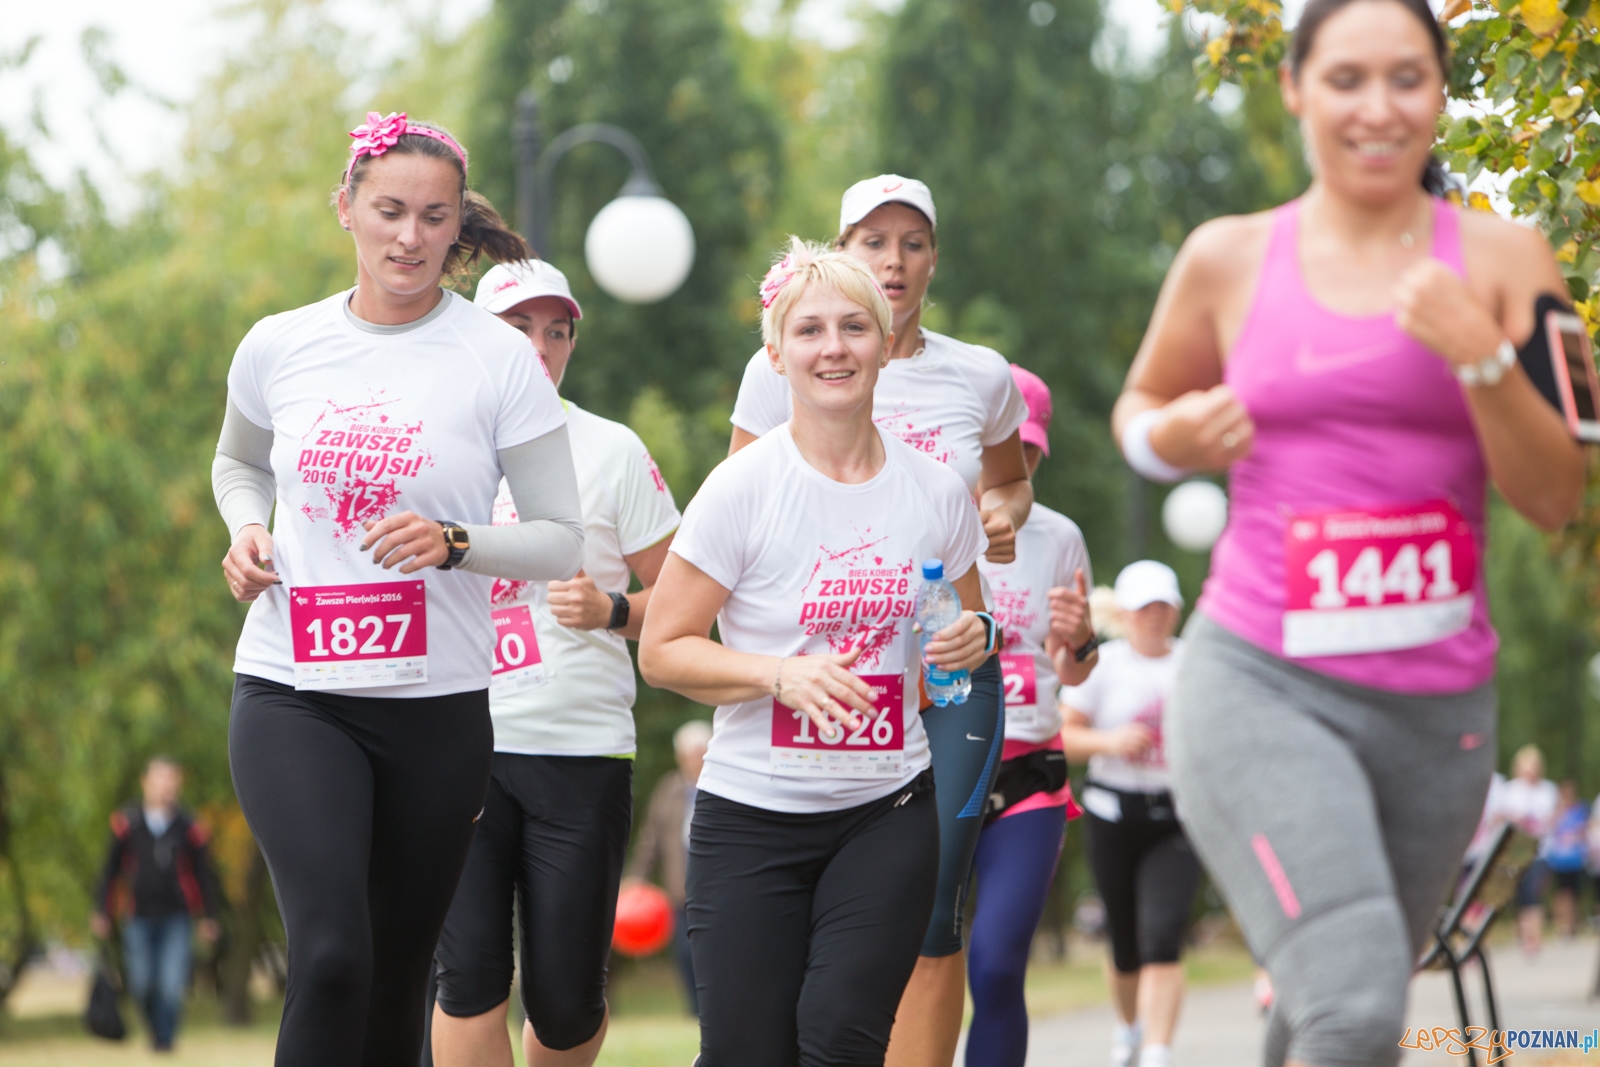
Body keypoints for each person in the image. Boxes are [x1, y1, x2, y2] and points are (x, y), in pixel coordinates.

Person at [1113, 0, 1586, 1059]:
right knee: (1357, 1006)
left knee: (1333, 1000)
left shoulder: (1512, 262)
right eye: (1345, 79)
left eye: (1407, 78)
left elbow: (1555, 494)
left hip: (1438, 718)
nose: (1378, 108)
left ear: (1439, 90)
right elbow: (1139, 408)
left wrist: (1480, 360)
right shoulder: (1227, 257)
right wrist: (1170, 433)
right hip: (1258, 684)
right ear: (1293, 89)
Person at [212, 111, 584, 1065]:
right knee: (333, 955)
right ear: (346, 209)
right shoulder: (278, 345)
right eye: (388, 211)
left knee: (396, 981)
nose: (410, 237)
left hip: (437, 709)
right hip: (295, 693)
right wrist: (246, 528)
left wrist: (455, 542)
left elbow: (556, 539)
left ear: (458, 227)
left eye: (433, 216)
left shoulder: (498, 358)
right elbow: (238, 465)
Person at [639, 238, 994, 1067]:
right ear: (776, 352)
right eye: (809, 330)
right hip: (750, 817)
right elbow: (663, 649)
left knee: (841, 1039)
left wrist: (969, 641)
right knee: (745, 1054)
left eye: (853, 327)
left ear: (882, 341)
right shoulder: (742, 487)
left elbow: (958, 638)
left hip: (887, 812)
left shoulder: (935, 490)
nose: (833, 347)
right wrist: (776, 673)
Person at [729, 176, 1048, 1067]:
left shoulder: (980, 374)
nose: (894, 259)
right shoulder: (780, 364)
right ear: (840, 251)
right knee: (806, 908)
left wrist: (1003, 515)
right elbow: (742, 511)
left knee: (933, 904)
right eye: (874, 240)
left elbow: (1011, 481)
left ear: (934, 257)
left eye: (913, 241)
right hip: (821, 666)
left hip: (943, 663)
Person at [429, 258, 681, 1067]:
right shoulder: (430, 443)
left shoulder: (610, 449)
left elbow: (687, 609)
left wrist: (611, 610)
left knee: (567, 999)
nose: (540, 346)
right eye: (518, 328)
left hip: (579, 752)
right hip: (453, 744)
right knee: (467, 976)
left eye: (557, 330)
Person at [964, 365, 1096, 1067]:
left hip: (1029, 773)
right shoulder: (929, 513)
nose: (1020, 461)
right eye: (1008, 445)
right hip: (937, 767)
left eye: (1031, 449)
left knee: (994, 966)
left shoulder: (1059, 537)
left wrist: (1078, 639)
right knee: (912, 966)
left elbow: (1073, 670)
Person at [1059, 562, 1199, 1067]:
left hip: (1177, 817)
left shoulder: (1194, 663)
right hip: (1112, 812)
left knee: (1162, 933)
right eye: (1144, 608)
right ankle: (1130, 1031)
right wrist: (1109, 741)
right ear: (1124, 613)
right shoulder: (1104, 664)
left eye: (1164, 607)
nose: (1155, 617)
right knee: (1124, 941)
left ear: (1177, 611)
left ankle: (1158, 1053)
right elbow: (1064, 735)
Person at [90, 757, 223, 1051]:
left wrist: (209, 917)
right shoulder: (127, 822)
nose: (166, 786)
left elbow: (204, 874)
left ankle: (164, 1040)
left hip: (178, 916)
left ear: (178, 785)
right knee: (142, 983)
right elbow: (109, 871)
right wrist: (102, 910)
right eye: (160, 779)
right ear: (146, 782)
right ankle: (156, 1031)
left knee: (171, 984)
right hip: (137, 915)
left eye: (172, 780)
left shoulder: (190, 825)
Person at [625, 718, 714, 1016]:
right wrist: (637, 878)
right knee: (685, 953)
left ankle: (718, 1010)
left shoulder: (722, 787)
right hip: (681, 891)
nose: (695, 760)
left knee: (716, 952)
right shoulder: (669, 789)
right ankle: (695, 1012)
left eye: (700, 752)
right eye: (689, 754)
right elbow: (650, 840)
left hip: (717, 888)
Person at [1487, 744, 1561, 954]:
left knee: (1533, 893)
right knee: (1519, 894)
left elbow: (1553, 819)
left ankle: (1534, 938)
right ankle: (1524, 934)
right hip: (1514, 853)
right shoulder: (1510, 790)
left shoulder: (1548, 789)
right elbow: (1495, 819)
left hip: (1540, 851)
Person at [1541, 781, 1591, 941]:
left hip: (1575, 859)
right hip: (1559, 860)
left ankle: (1572, 926)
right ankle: (1563, 926)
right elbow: (1548, 828)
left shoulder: (1580, 809)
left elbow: (1586, 831)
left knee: (1573, 894)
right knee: (1562, 894)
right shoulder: (1558, 812)